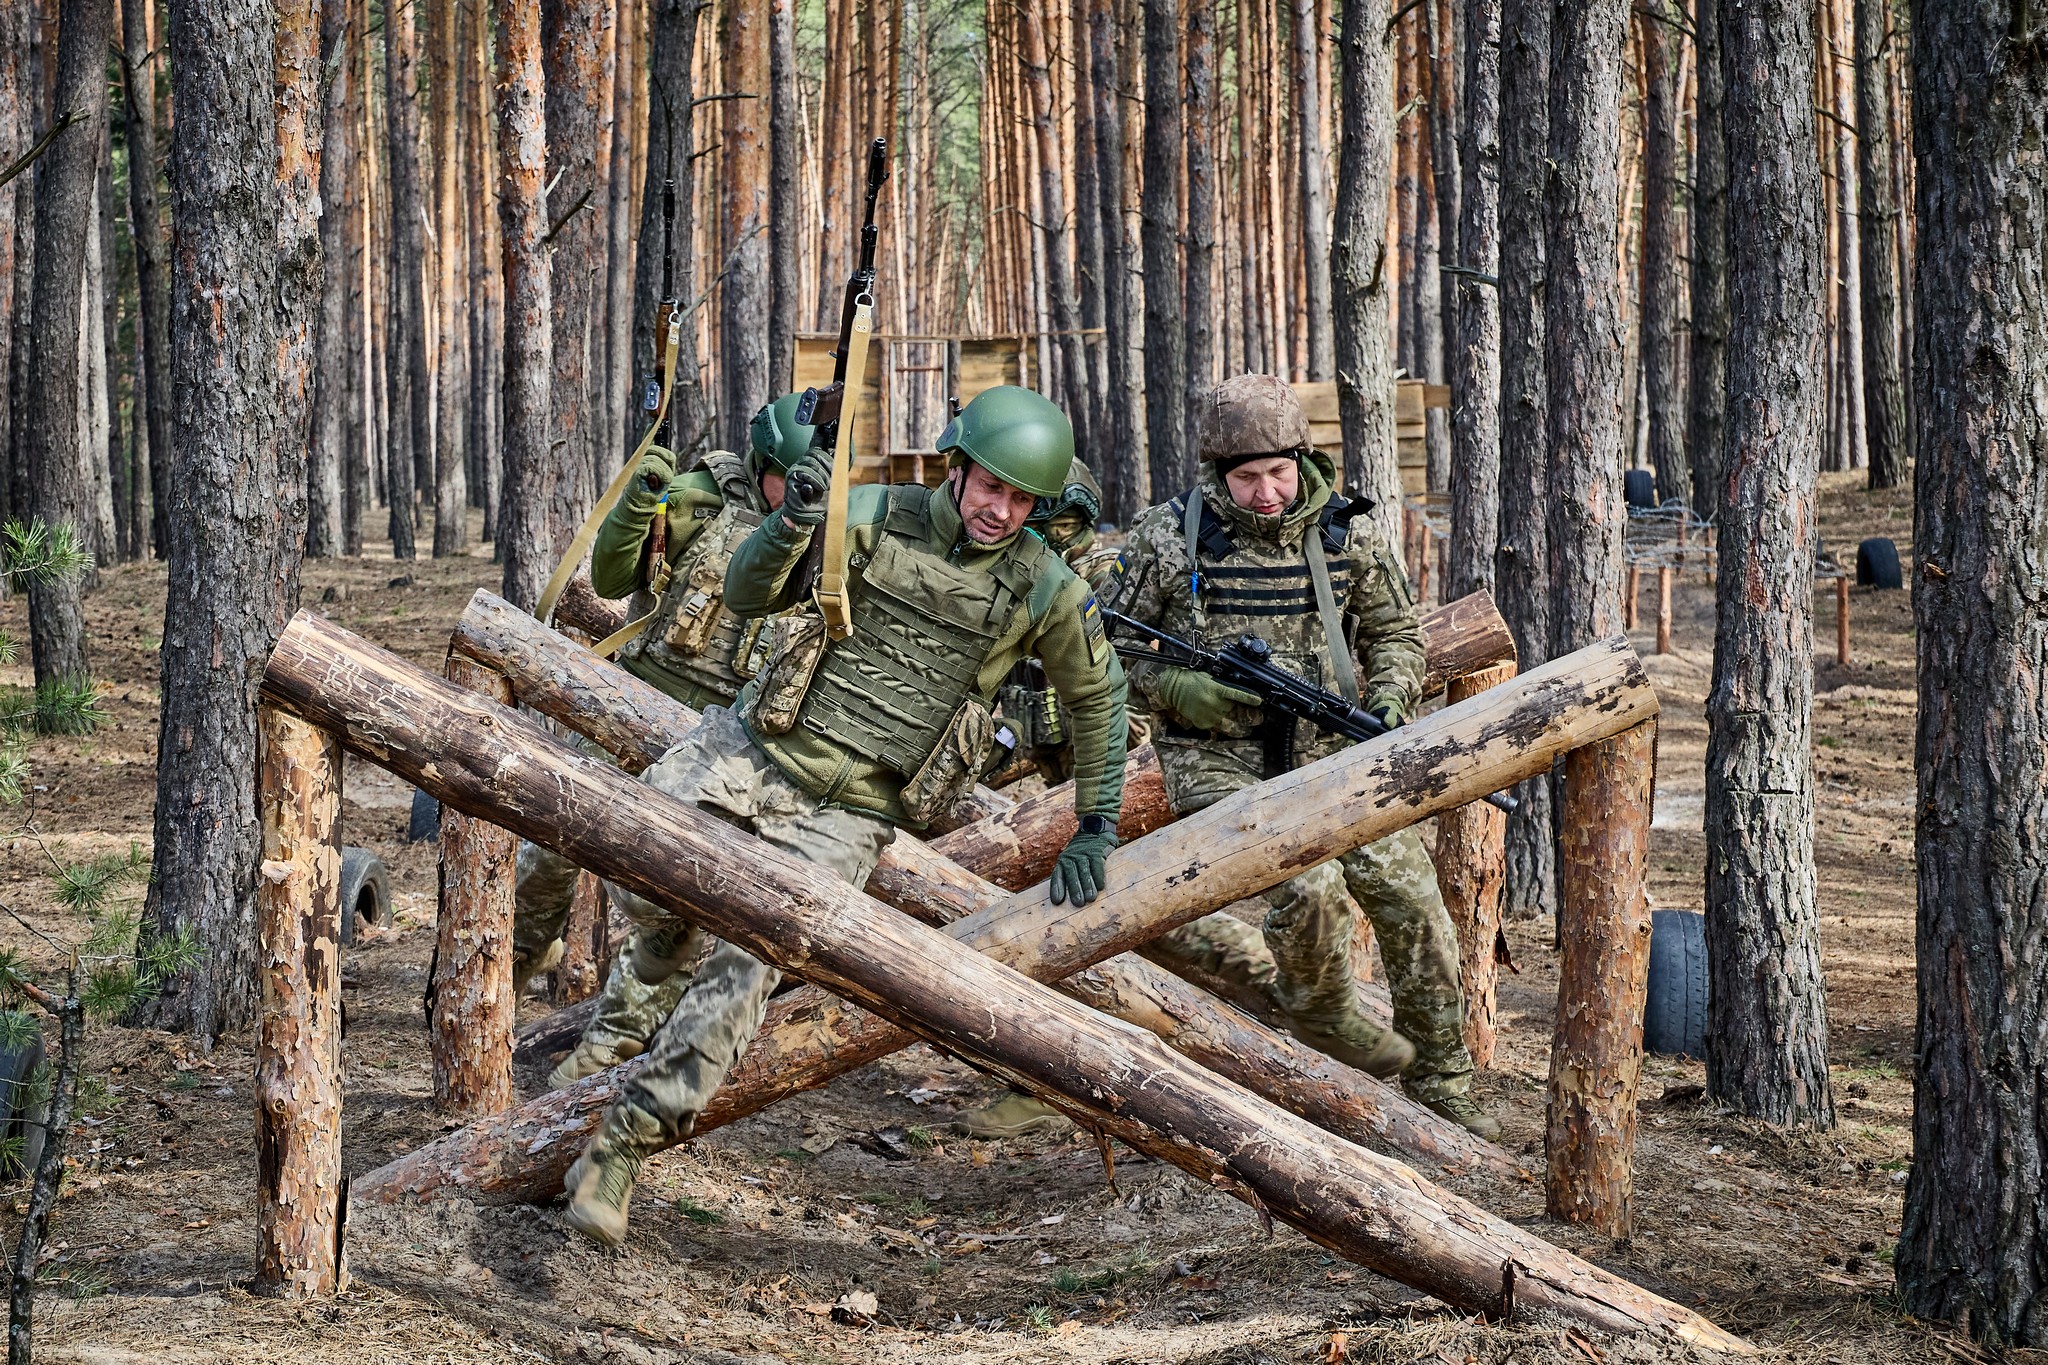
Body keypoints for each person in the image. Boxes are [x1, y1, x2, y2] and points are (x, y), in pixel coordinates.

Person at [562, 384, 1131, 1246]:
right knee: (646, 874)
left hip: (854, 807)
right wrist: (794, 523)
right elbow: (750, 595)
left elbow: (1098, 697)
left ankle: (623, 1146)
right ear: (958, 466)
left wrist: (1095, 821)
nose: (1001, 511)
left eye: (1021, 500)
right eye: (991, 488)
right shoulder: (871, 512)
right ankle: (639, 992)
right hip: (750, 749)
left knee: (747, 967)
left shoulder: (1044, 588)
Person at [1104, 373, 1498, 1140]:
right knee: (1312, 888)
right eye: (1245, 478)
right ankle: (1323, 1034)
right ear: (1218, 474)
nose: (1265, 492)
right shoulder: (1168, 535)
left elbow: (1396, 634)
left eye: (1277, 473)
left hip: (1332, 753)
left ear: (1301, 458)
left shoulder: (1347, 533)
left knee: (1412, 898)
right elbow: (1105, 647)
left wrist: (1389, 699)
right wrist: (1179, 687)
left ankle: (1443, 1081)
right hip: (1218, 761)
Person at [513, 395, 812, 1089]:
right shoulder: (696, 501)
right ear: (765, 464)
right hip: (636, 708)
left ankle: (613, 1040)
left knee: (670, 900)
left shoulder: (821, 537)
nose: (800, 498)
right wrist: (635, 505)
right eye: (789, 482)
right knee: (549, 847)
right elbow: (614, 578)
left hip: (720, 754)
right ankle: (518, 958)